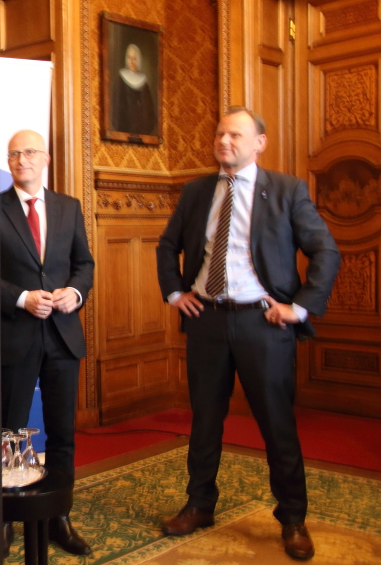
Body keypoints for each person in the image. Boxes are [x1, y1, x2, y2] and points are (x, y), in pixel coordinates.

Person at [155, 106, 339, 562]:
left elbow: (325, 251)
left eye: (235, 135)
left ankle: (293, 518)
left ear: (260, 142)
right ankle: (199, 504)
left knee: (277, 424)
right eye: (220, 134)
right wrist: (176, 293)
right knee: (205, 419)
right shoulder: (197, 190)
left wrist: (299, 308)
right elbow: (166, 245)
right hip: (208, 320)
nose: (224, 142)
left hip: (263, 322)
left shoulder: (287, 190)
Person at [0, 130, 95, 556]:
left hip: (62, 337)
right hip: (14, 337)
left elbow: (84, 265)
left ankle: (59, 515)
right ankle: (3, 520)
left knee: (62, 434)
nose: (22, 159)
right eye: (15, 154)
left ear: (46, 159)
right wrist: (21, 298)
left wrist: (74, 294)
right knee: (9, 434)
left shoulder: (68, 208)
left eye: (30, 152)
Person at [112, 43, 156, 136]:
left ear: (138, 60)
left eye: (134, 59)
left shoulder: (144, 82)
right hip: (125, 125)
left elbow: (148, 108)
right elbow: (117, 106)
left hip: (141, 127)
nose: (131, 62)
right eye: (129, 58)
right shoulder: (121, 79)